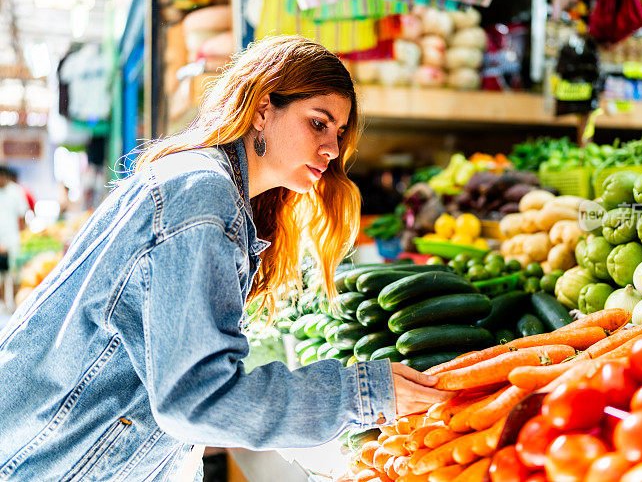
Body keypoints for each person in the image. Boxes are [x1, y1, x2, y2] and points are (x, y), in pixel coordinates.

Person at [0, 35, 453, 481]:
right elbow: (197, 399)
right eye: (319, 123)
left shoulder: (222, 194)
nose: (332, 149)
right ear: (262, 109)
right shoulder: (201, 192)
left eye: (338, 133)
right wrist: (359, 393)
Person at [0, 166, 27, 311]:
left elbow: (22, 216)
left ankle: (16, 307)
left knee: (16, 274)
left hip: (13, 239)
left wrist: (23, 235)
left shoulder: (15, 191)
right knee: (1, 276)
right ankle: (4, 305)